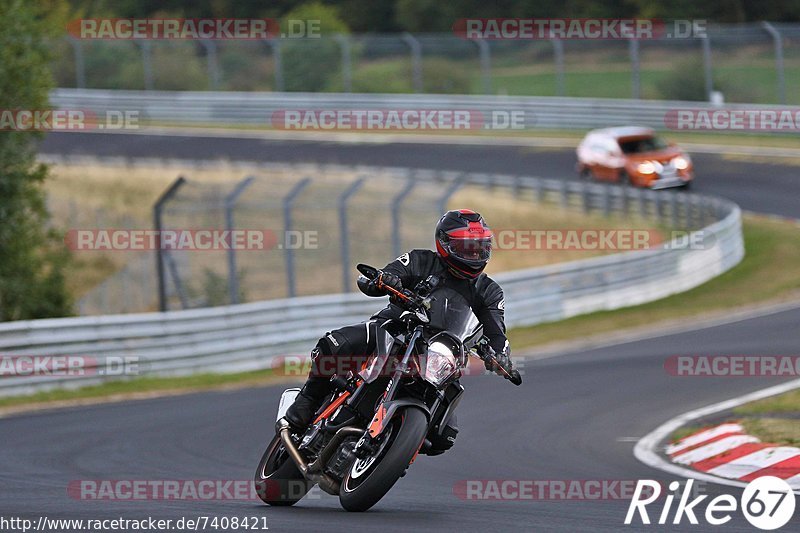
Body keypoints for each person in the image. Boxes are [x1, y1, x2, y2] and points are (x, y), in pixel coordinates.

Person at [284, 209, 513, 431]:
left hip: (441, 355)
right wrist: (384, 280)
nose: (474, 255)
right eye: (466, 247)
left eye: (479, 248)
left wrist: (500, 354)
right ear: (444, 244)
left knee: (445, 434)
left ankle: (396, 447)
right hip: (396, 329)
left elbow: (496, 331)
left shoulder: (489, 291)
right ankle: (307, 399)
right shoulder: (420, 260)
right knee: (335, 344)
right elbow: (376, 279)